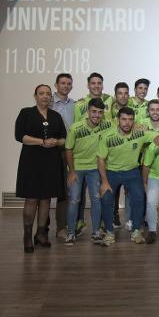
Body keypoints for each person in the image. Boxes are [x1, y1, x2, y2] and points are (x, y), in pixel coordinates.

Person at [15, 84, 66, 253]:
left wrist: (56, 142)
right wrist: (41, 142)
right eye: (41, 93)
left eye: (48, 94)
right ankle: (27, 236)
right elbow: (20, 136)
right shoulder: (26, 113)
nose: (45, 96)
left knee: (45, 199)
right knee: (31, 199)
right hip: (31, 161)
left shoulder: (56, 116)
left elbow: (64, 138)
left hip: (50, 161)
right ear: (35, 96)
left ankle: (41, 234)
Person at [97, 107, 151, 246]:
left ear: (134, 121)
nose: (127, 123)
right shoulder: (108, 136)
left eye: (130, 119)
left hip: (132, 172)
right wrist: (104, 182)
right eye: (124, 119)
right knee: (107, 198)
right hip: (112, 172)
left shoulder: (140, 133)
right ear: (118, 120)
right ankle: (109, 232)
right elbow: (101, 159)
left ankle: (136, 231)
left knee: (139, 198)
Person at [64, 98, 113, 245]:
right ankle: (71, 233)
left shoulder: (107, 126)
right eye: (94, 111)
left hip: (95, 168)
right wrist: (71, 171)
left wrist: (138, 127)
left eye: (100, 112)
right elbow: (68, 149)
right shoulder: (75, 127)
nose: (97, 115)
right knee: (74, 199)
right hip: (77, 168)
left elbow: (125, 125)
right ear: (87, 111)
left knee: (96, 199)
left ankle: (96, 232)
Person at [49, 73, 74, 239]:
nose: (65, 86)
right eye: (62, 83)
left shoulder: (75, 105)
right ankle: (43, 227)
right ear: (56, 85)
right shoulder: (48, 103)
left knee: (65, 190)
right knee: (44, 190)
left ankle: (61, 228)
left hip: (70, 151)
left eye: (68, 83)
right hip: (50, 151)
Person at [110, 82, 130, 228]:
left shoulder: (133, 111)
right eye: (120, 93)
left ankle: (130, 219)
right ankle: (113, 216)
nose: (122, 96)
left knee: (130, 190)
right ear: (115, 95)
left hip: (131, 156)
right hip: (113, 157)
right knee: (114, 190)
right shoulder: (108, 111)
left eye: (125, 93)